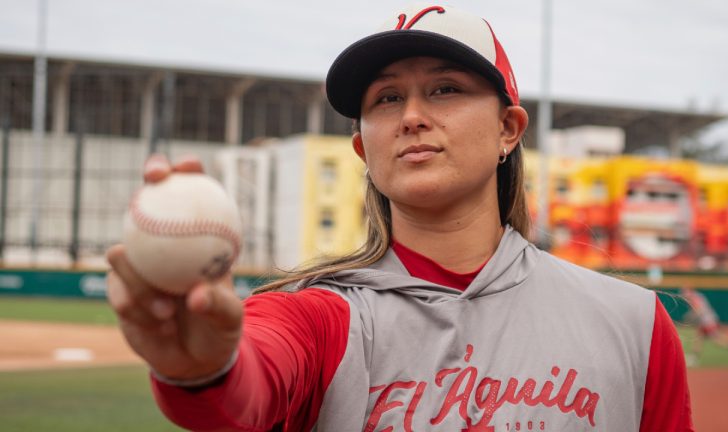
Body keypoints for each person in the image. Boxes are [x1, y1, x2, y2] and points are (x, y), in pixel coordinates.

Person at [107, 4, 693, 431]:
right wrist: (208, 369)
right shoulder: (320, 317)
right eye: (386, 99)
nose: (411, 116)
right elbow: (249, 387)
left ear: (508, 131)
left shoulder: (634, 324)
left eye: (444, 89)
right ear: (365, 149)